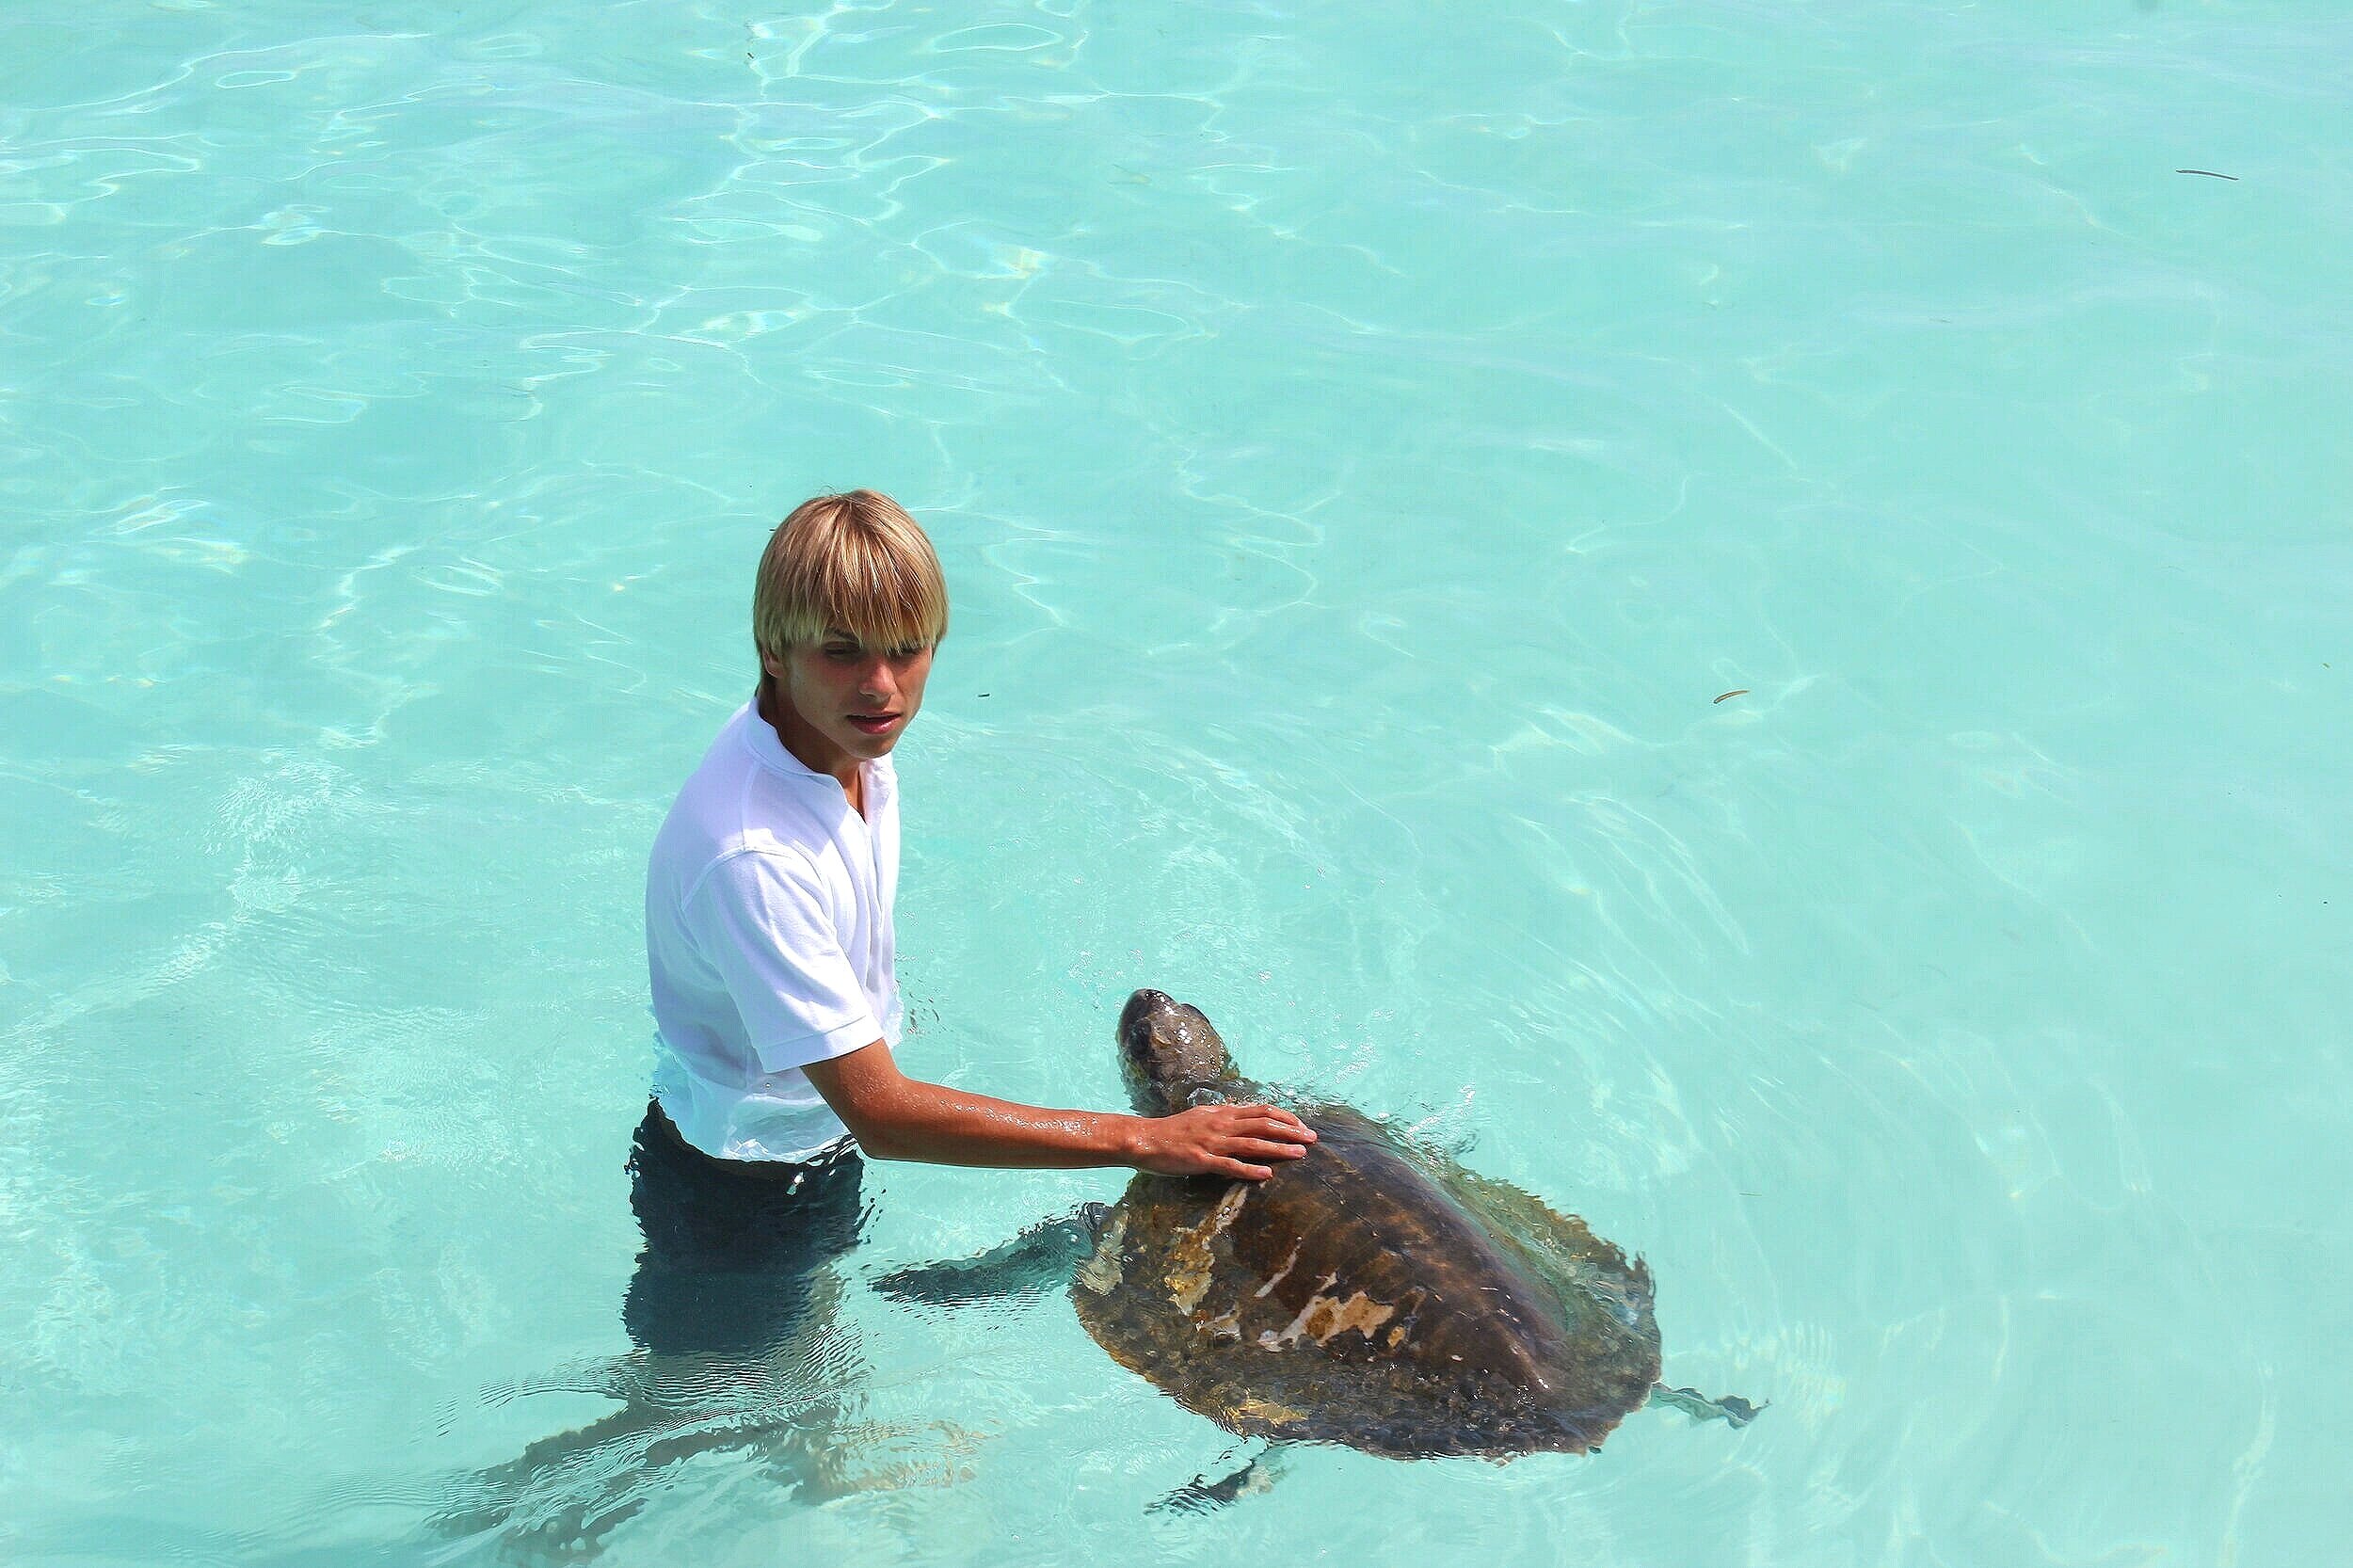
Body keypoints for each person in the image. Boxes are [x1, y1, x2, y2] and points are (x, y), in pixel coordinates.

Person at [630, 488, 1314, 1358]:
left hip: (802, 1135)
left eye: (906, 651)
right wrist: (1145, 1140)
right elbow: (883, 1117)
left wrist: (866, 1014)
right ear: (774, 651)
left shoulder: (836, 738)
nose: (881, 686)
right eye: (842, 654)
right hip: (746, 1183)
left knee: (802, 1369)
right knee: (712, 1403)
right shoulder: (755, 856)